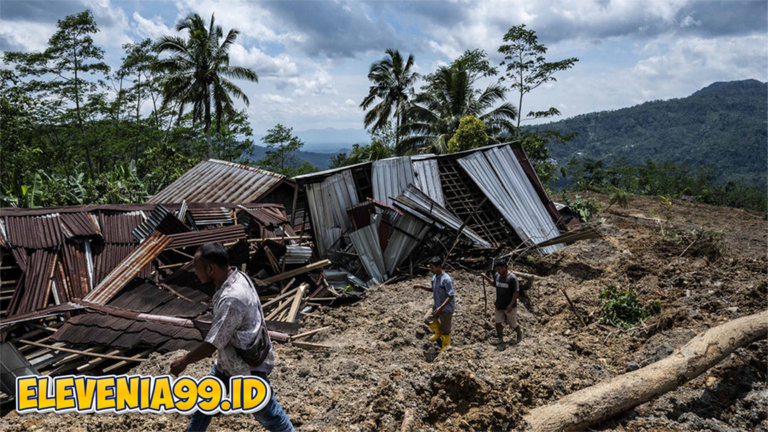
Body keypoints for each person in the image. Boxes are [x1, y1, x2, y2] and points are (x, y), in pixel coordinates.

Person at [170, 242, 295, 432]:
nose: (195, 273)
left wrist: (184, 361)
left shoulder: (232, 298)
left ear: (211, 268)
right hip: (229, 361)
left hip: (246, 368)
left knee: (270, 416)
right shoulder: (237, 276)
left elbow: (212, 343)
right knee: (206, 404)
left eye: (197, 268)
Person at [413, 257, 455, 352]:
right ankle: (437, 332)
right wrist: (420, 286)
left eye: (432, 267)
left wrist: (441, 307)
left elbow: (451, 295)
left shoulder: (447, 279)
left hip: (446, 309)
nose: (431, 269)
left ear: (438, 266)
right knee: (427, 319)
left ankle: (445, 347)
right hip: (437, 306)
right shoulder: (434, 277)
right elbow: (433, 289)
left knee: (446, 330)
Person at [482, 260, 523, 346]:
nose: (498, 271)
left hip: (510, 306)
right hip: (499, 305)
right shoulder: (497, 275)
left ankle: (519, 334)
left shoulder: (512, 278)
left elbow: (516, 292)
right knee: (498, 322)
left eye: (499, 269)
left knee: (512, 323)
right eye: (497, 269)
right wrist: (486, 277)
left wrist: (511, 304)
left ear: (505, 267)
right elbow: (494, 284)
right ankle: (500, 338)